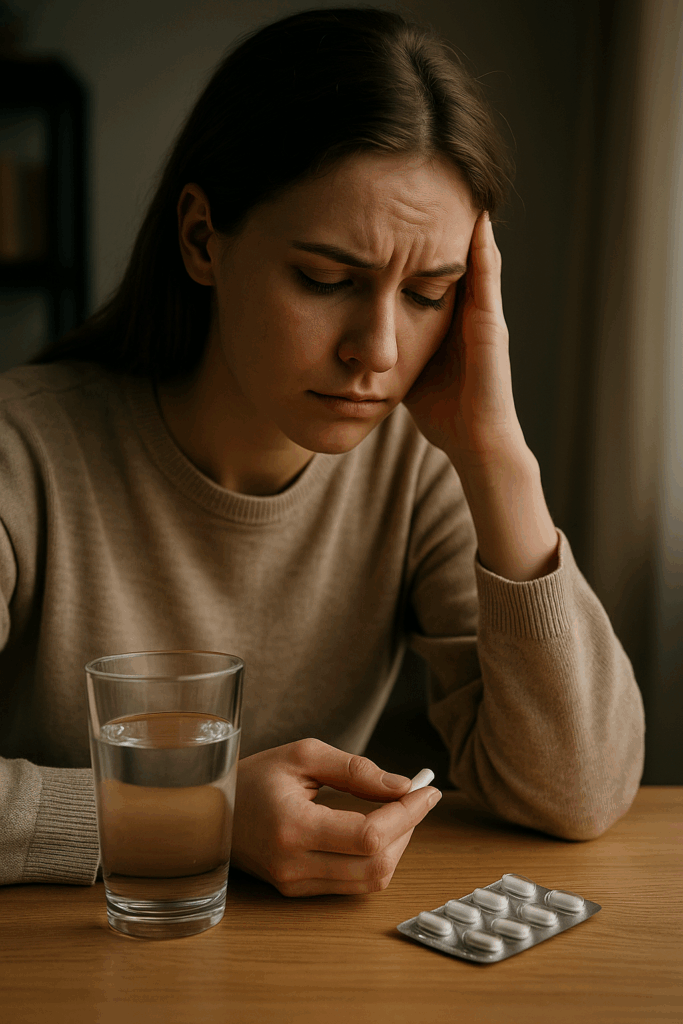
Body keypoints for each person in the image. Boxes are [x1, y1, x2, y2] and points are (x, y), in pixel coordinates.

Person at [0, 7, 644, 897]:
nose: (377, 350)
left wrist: (498, 458)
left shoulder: (420, 472)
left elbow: (578, 792)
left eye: (427, 293)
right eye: (327, 279)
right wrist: (206, 817)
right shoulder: (19, 457)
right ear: (201, 240)